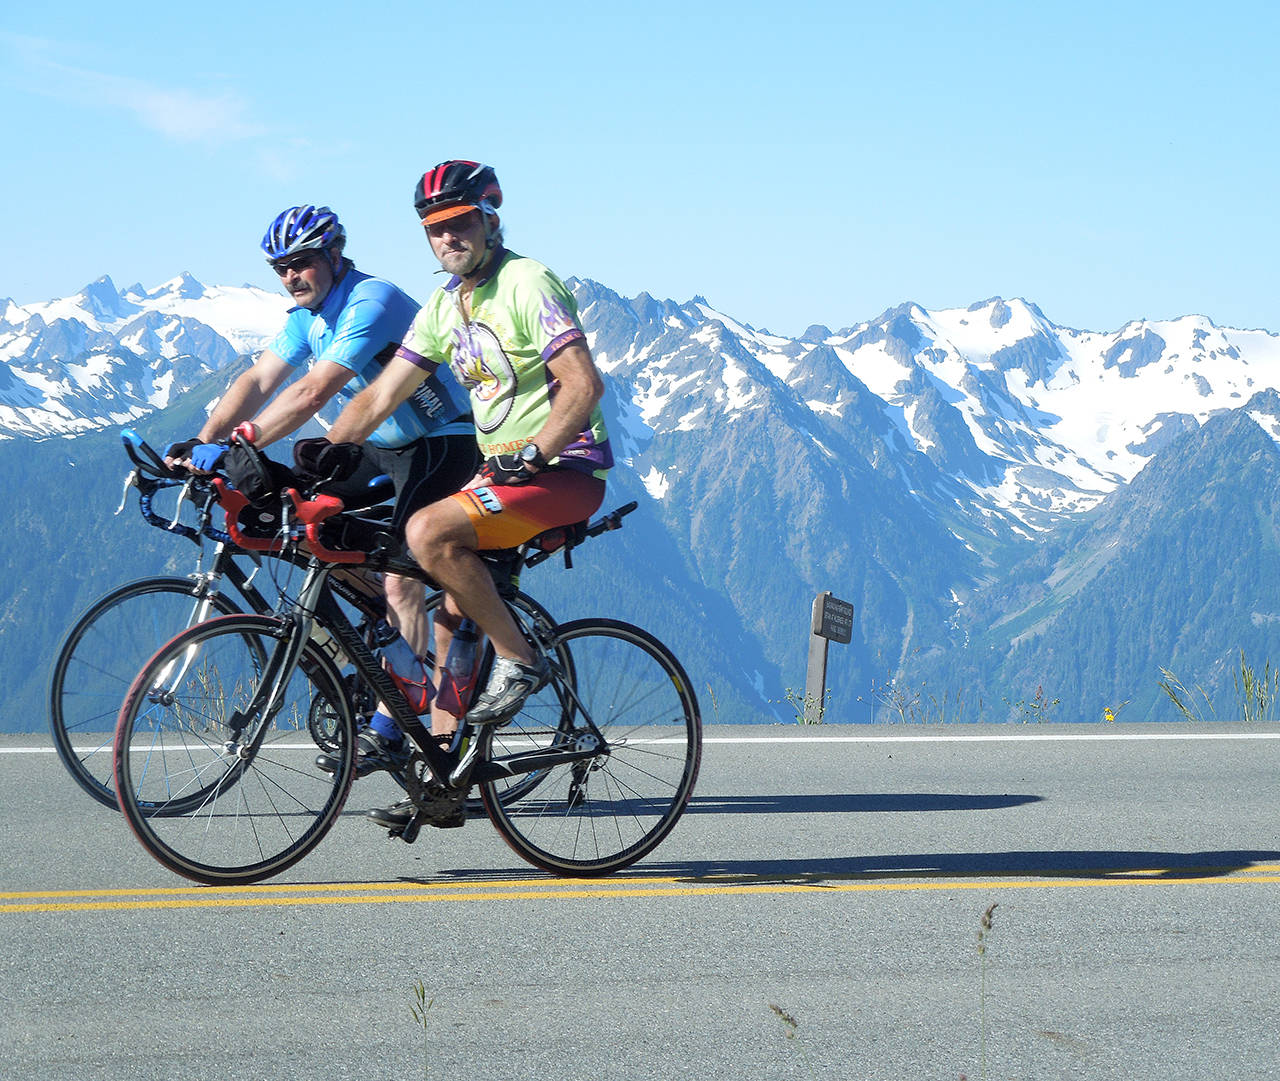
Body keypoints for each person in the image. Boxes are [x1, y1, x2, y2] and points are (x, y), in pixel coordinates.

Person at [314, 161, 612, 827]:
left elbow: (584, 384)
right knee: (445, 609)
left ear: (490, 219)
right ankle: (447, 774)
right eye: (433, 229)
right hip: (500, 477)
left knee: (427, 531)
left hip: (562, 473)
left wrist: (538, 449)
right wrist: (320, 458)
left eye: (459, 223)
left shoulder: (527, 282)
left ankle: (521, 659)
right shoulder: (446, 305)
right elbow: (379, 395)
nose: (447, 238)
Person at [164, 204, 477, 770]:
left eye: (302, 262)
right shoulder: (305, 316)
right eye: (280, 266)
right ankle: (373, 642)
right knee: (297, 516)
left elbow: (314, 391)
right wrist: (198, 444)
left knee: (401, 580)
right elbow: (258, 379)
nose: (290, 276)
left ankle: (392, 727)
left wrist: (241, 442)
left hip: (442, 442)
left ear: (334, 255)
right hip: (378, 443)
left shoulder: (370, 301)